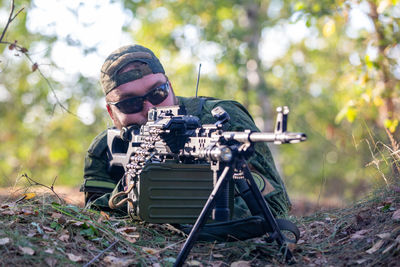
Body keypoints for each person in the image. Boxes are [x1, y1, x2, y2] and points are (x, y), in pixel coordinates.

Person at [80, 44, 291, 219]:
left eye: (158, 93)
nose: (150, 109)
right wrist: (130, 187)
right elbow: (94, 220)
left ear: (170, 86)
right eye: (131, 103)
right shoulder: (105, 149)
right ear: (111, 112)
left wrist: (209, 185)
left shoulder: (224, 118)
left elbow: (278, 205)